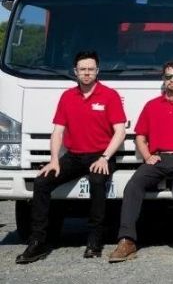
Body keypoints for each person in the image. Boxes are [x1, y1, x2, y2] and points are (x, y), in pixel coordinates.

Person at [16, 51, 127, 264]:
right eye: (82, 69)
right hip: (74, 156)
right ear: (75, 72)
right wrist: (54, 160)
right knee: (41, 182)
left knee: (97, 181)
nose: (87, 73)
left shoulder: (109, 95)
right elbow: (58, 131)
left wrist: (105, 158)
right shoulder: (67, 97)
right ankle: (38, 241)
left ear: (97, 71)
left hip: (101, 156)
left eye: (91, 69)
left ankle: (94, 240)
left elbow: (120, 131)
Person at [109, 61, 173, 263]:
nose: (172, 80)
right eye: (168, 77)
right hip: (157, 158)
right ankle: (127, 241)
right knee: (133, 186)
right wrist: (147, 156)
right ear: (163, 79)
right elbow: (140, 136)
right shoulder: (152, 105)